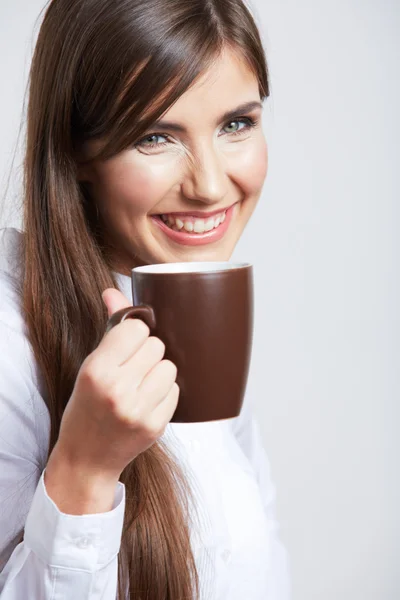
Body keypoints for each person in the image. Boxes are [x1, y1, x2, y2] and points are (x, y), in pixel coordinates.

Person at [0, 0, 291, 598]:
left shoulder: (187, 308)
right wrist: (85, 469)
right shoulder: (10, 345)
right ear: (77, 148)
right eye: (156, 135)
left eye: (236, 124)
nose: (210, 186)